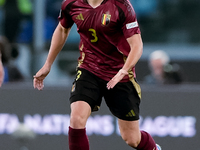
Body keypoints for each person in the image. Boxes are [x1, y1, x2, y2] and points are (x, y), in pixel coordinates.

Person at [33, 0, 161, 150]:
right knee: (76, 119)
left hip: (119, 74)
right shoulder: (71, 3)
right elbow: (62, 30)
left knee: (132, 139)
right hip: (89, 68)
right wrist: (48, 64)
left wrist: (124, 70)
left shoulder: (121, 6)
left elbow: (137, 45)